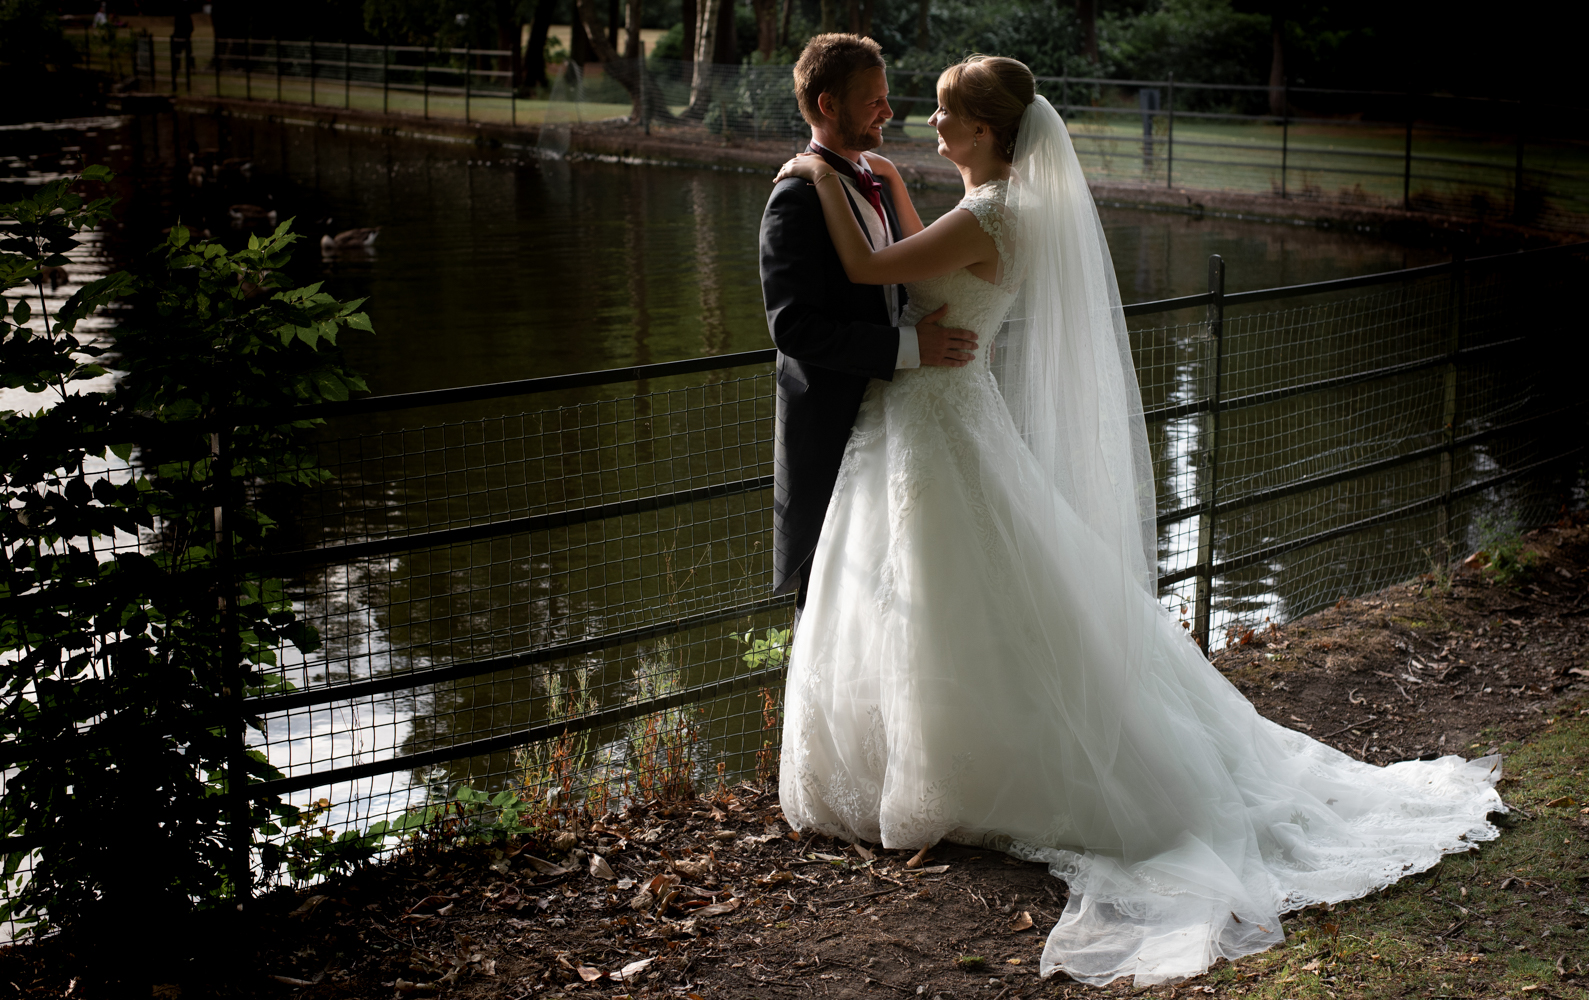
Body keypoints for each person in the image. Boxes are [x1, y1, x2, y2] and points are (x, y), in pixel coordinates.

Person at [771, 55, 1504, 988]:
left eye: (947, 117)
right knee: (966, 585)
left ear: (991, 134)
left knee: (954, 583)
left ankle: (969, 769)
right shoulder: (996, 209)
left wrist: (810, 171)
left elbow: (872, 266)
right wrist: (856, 181)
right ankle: (936, 759)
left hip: (940, 416)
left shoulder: (988, 213)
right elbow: (905, 254)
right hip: (944, 414)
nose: (928, 125)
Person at [758, 34, 981, 627]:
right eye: (874, 101)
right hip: (831, 425)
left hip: (898, 417)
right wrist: (911, 347)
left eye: (887, 99)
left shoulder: (874, 178)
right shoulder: (796, 199)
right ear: (829, 106)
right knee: (833, 593)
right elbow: (794, 328)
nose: (889, 111)